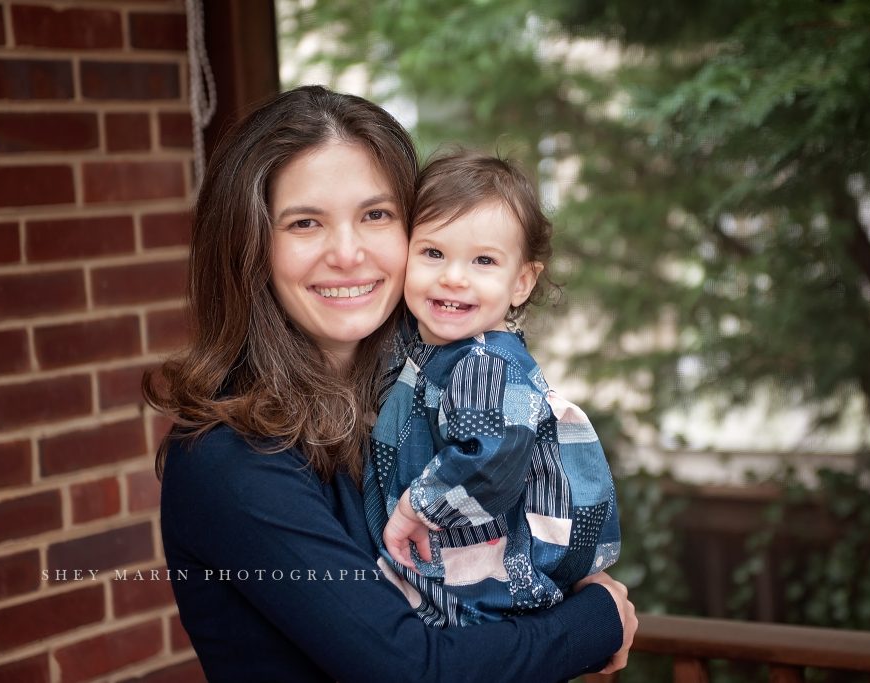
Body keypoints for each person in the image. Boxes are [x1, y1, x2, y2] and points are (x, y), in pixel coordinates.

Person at [143, 85, 637, 682]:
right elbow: (411, 669)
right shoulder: (229, 460)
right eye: (305, 223)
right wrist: (595, 620)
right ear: (250, 247)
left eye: (376, 215)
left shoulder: (419, 406)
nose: (348, 254)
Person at [364, 150, 621, 628]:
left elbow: (492, 455)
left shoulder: (484, 363)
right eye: (433, 253)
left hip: (488, 585)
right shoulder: (427, 345)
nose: (453, 277)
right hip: (451, 568)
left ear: (521, 281)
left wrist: (415, 508)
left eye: (483, 260)